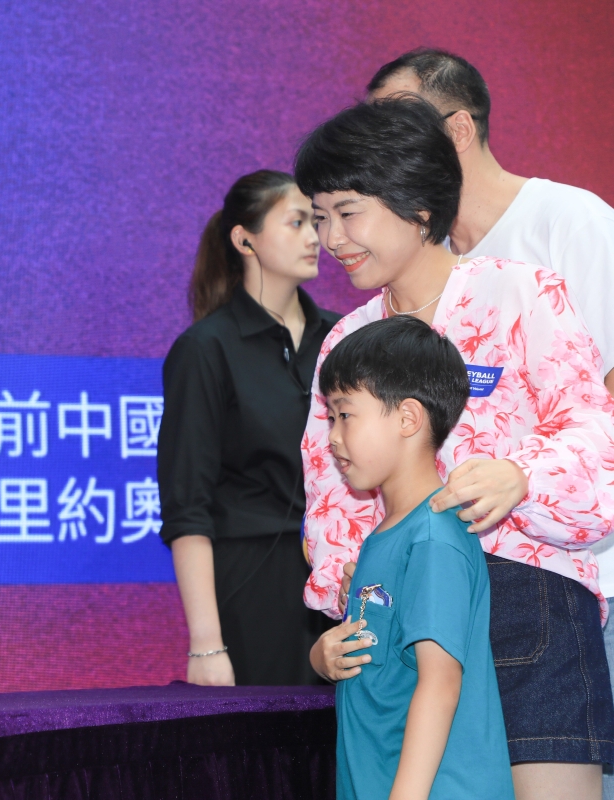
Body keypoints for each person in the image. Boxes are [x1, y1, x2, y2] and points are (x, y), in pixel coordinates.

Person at [297, 98, 614, 799]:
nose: (331, 237)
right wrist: (352, 587)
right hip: (402, 612)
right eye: (318, 217)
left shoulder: (521, 293)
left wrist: (521, 476)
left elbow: (598, 439)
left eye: (347, 212)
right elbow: (328, 486)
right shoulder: (345, 340)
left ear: (417, 205)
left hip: (525, 599)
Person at [317, 316, 513, 800]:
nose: (333, 436)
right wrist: (324, 658)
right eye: (330, 418)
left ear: (408, 418)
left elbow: (440, 683)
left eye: (345, 414)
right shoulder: (387, 536)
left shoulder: (432, 536)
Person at [158, 170, 340, 686]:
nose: (315, 237)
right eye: (297, 222)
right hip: (253, 583)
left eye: (317, 222)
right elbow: (187, 506)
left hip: (343, 577)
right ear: (244, 240)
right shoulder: (205, 349)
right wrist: (206, 644)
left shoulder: (342, 337)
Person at [367, 49, 614, 397]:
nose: (379, 151)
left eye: (397, 130)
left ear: (459, 130)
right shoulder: (426, 253)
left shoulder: (571, 221)